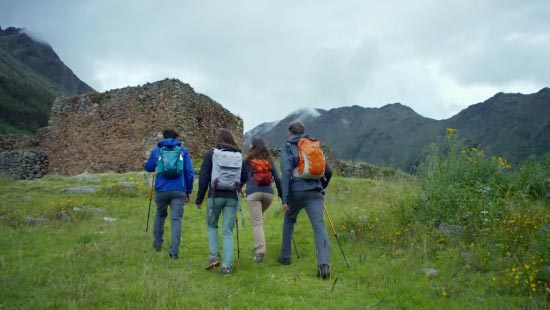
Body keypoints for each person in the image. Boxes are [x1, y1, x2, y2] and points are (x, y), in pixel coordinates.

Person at [277, 121, 333, 279]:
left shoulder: (288, 146)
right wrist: (321, 186)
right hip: (315, 192)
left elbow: (286, 172)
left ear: (290, 133)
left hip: (296, 191)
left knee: (289, 219)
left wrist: (285, 198)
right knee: (319, 226)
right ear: (303, 132)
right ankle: (324, 265)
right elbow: (328, 170)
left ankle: (285, 256)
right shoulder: (312, 145)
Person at [196, 129, 248, 276]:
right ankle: (227, 267)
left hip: (215, 195)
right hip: (232, 197)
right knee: (227, 232)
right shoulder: (239, 156)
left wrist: (199, 199)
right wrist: (238, 187)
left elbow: (204, 177)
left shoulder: (212, 154)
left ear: (218, 140)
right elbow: (245, 175)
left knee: (212, 226)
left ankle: (213, 257)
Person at [144, 128, 194, 259]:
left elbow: (149, 168)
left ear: (163, 137)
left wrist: (148, 163)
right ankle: (174, 251)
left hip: (161, 189)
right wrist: (188, 190)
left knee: (160, 214)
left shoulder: (157, 150)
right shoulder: (183, 151)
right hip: (179, 189)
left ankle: (157, 243)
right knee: (176, 219)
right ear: (176, 138)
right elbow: (189, 172)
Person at [244, 138, 283, 263]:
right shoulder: (269, 160)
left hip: (253, 194)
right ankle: (258, 243)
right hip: (268, 195)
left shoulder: (248, 160)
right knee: (259, 219)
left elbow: (241, 177)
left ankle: (260, 252)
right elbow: (277, 177)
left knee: (257, 223)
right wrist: (282, 195)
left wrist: (237, 189)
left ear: (252, 147)